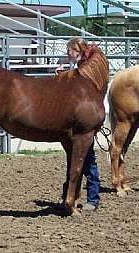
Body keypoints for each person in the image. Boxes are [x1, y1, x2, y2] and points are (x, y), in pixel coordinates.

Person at [58, 37, 100, 211]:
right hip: (79, 123)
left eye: (70, 51)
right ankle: (72, 195)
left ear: (78, 51)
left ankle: (93, 198)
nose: (68, 54)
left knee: (89, 161)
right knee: (78, 160)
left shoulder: (87, 70)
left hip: (85, 122)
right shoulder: (80, 68)